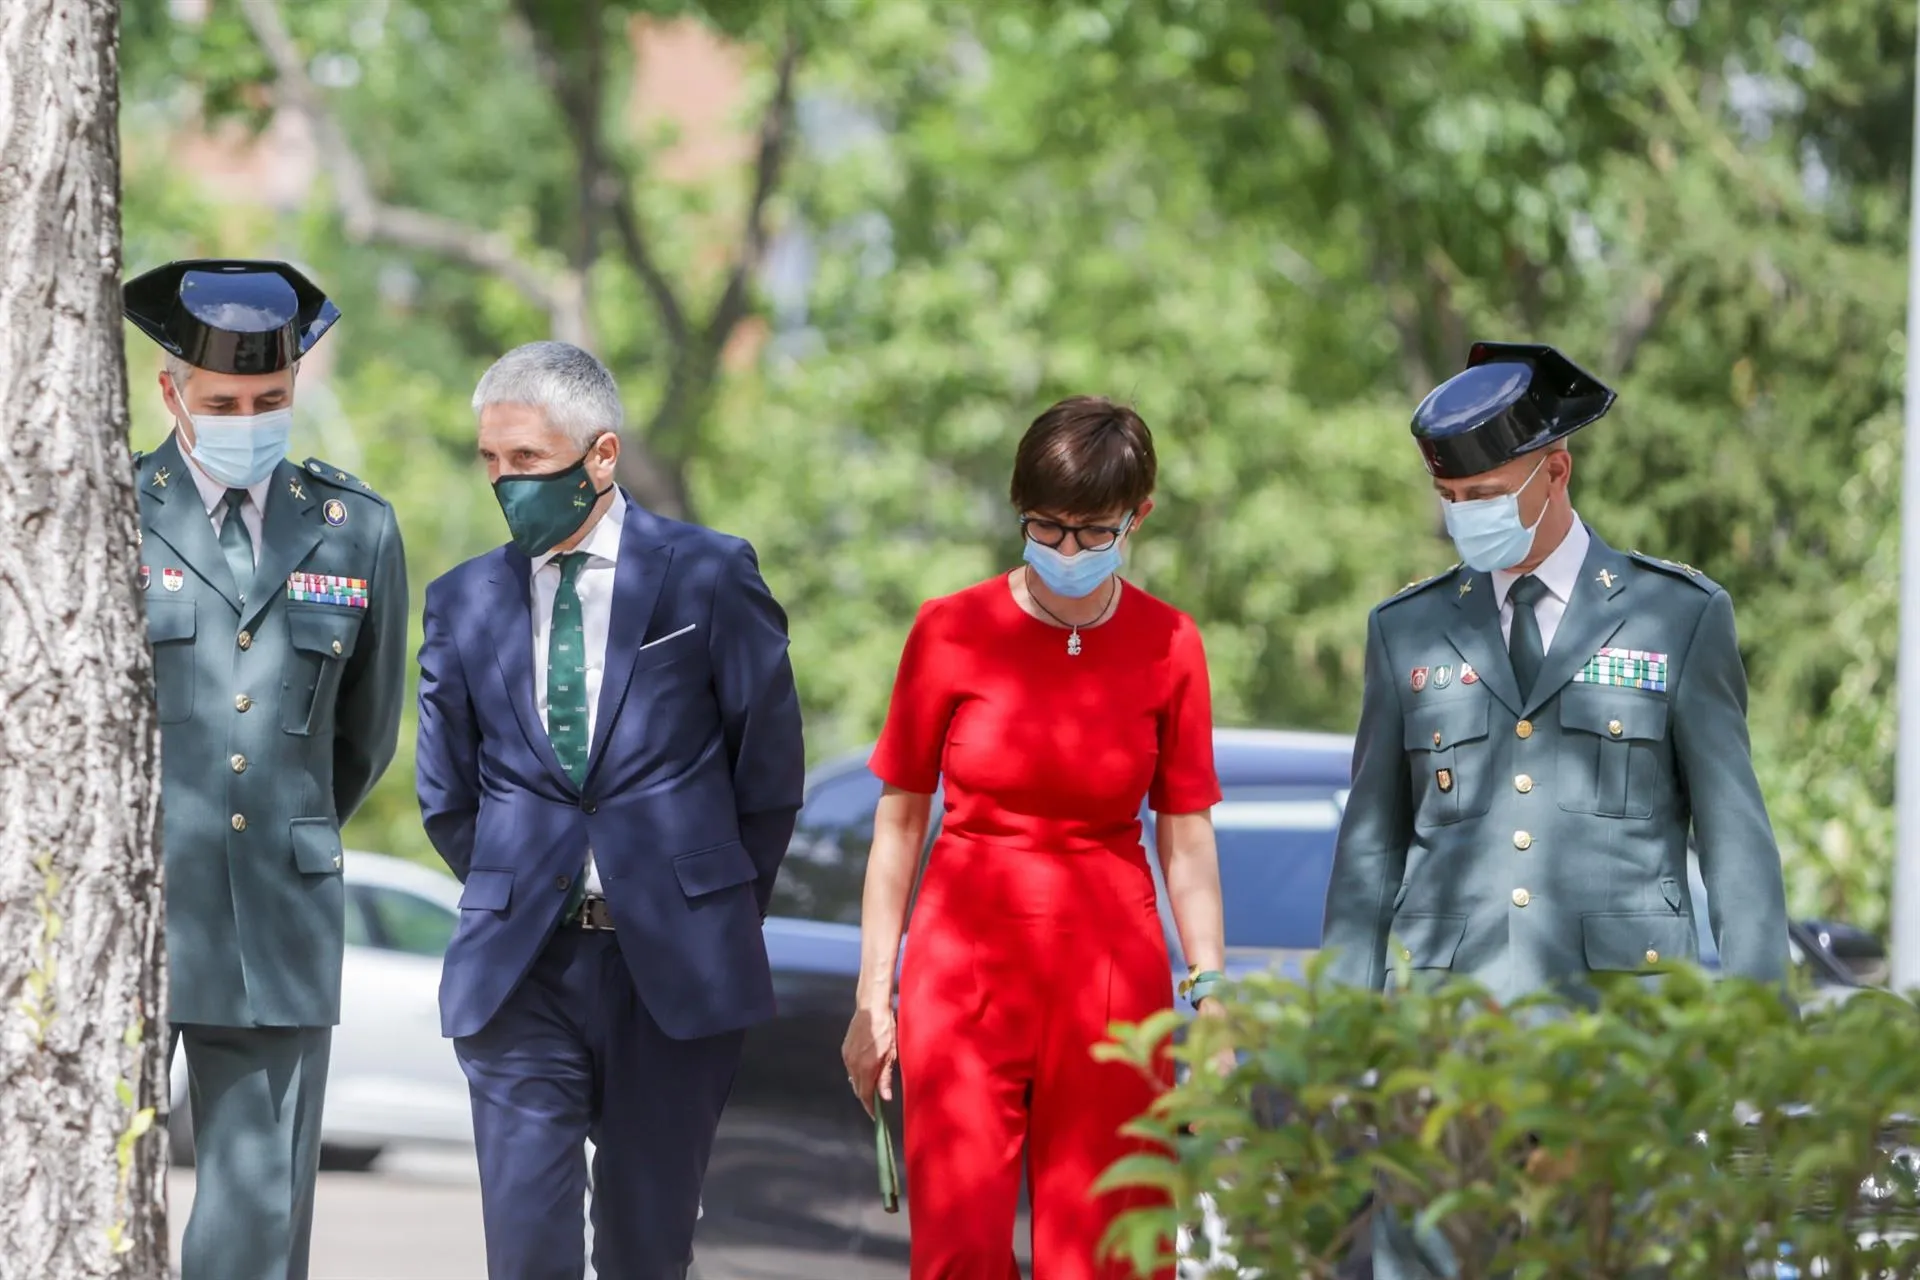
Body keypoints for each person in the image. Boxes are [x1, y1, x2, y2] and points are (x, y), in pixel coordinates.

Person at [1321, 341, 1789, 1279]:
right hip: (1447, 1064)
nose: (1467, 520)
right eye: (1451, 504)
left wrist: (1749, 1047)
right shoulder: (1405, 631)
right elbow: (1367, 867)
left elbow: (1737, 853)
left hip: (1623, 1058)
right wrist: (1341, 1054)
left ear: (1556, 469)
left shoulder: (1677, 616)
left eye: (1485, 495)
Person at [415, 340, 805, 1280]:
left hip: (672, 974)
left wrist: (701, 906)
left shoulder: (709, 576)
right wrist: (527, 886)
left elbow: (770, 774)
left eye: (529, 462)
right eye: (491, 463)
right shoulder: (462, 600)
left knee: (645, 1249)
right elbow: (445, 795)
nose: (507, 486)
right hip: (523, 974)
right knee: (528, 1255)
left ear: (600, 456)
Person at [840, 395, 1229, 1280]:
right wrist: (875, 999)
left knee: (1109, 1253)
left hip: (1111, 974)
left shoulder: (1171, 644)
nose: (1065, 551)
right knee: (961, 1250)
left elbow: (1187, 835)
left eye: (1092, 532)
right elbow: (898, 823)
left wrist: (1211, 997)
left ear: (1139, 517)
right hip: (964, 968)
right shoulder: (951, 629)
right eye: (1044, 527)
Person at [123, 258, 409, 1280]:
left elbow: (363, 738)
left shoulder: (356, 527)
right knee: (86, 1196)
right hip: (133, 909)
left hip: (278, 921)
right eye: (225, 401)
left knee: (254, 1222)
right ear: (172, 393)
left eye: (271, 399)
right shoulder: (107, 509)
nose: (251, 417)